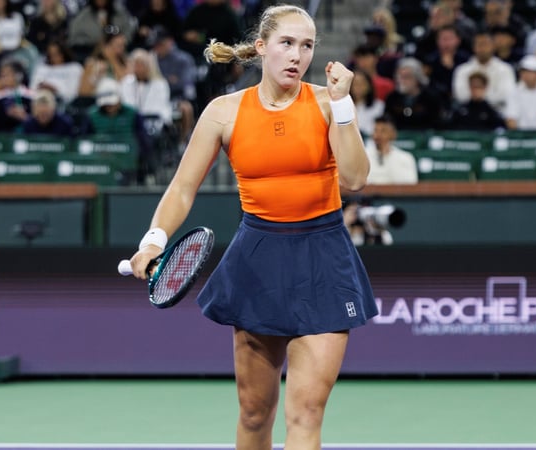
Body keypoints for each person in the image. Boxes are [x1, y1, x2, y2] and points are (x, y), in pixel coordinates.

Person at [124, 5, 377, 449]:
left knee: (306, 414)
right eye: (287, 43)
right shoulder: (223, 112)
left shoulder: (328, 103)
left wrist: (342, 104)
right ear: (261, 47)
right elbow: (182, 188)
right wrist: (153, 240)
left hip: (323, 257)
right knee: (255, 412)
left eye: (307, 46)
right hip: (258, 258)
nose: (297, 55)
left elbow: (355, 179)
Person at [365, 115, 418, 185]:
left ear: (393, 134)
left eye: (383, 131)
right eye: (375, 130)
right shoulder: (364, 156)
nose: (378, 135)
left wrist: (386, 155)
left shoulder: (406, 158)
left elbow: (410, 184)